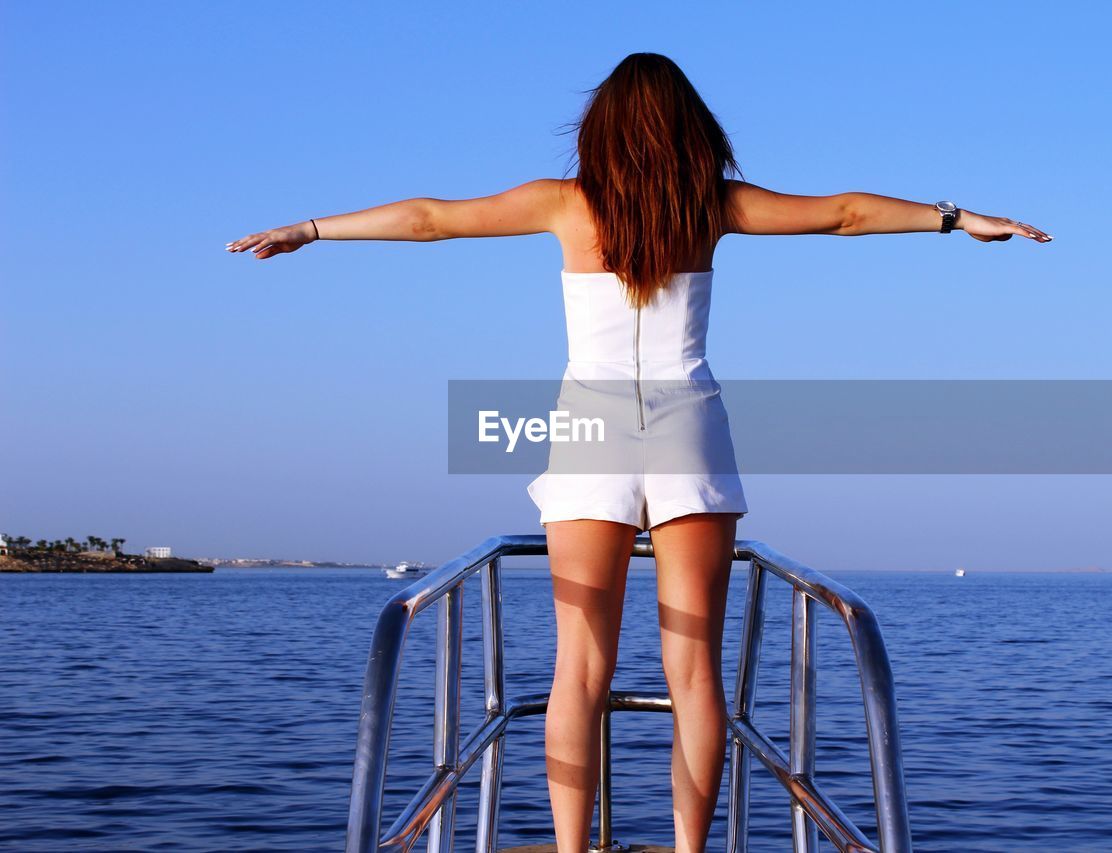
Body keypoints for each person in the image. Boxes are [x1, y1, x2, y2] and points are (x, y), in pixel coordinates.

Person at [227, 51, 1050, 853]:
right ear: (691, 129)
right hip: (690, 423)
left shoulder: (564, 203)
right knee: (694, 670)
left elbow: (428, 219)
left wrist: (310, 229)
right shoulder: (713, 204)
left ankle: (571, 846)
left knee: (578, 667)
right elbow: (844, 212)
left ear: (601, 129)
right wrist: (955, 217)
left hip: (588, 428)